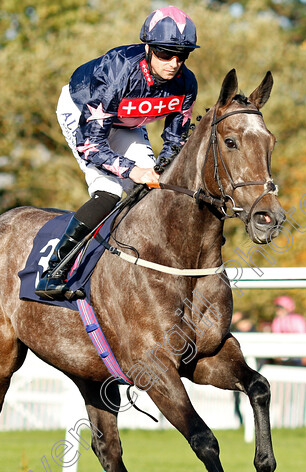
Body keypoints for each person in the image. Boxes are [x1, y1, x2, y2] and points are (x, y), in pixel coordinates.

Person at [36, 6, 199, 300]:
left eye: (182, 55)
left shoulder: (187, 84)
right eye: (165, 53)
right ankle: (53, 271)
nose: (174, 63)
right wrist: (131, 170)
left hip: (126, 123)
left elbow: (175, 140)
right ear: (148, 47)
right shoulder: (118, 71)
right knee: (110, 190)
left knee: (153, 191)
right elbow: (92, 146)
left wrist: (160, 169)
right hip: (83, 114)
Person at [271, 295, 306, 366]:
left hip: (298, 352)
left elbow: (303, 335)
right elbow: (276, 335)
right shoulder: (277, 320)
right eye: (277, 308)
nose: (277, 311)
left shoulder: (298, 319)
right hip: (283, 352)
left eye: (280, 308)